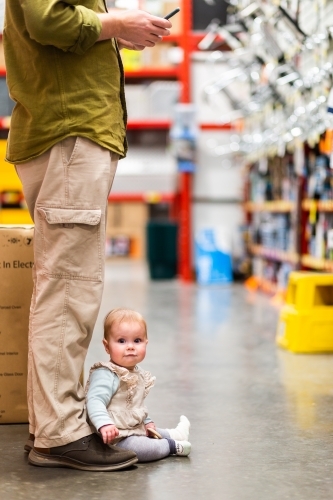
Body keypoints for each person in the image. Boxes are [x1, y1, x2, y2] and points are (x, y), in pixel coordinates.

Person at [3, 1, 172, 471]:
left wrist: (115, 30)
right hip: (70, 135)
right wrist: (120, 23)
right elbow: (48, 19)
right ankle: (58, 435)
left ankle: (52, 426)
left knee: (64, 287)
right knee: (68, 292)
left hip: (66, 134)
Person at [86, 308, 191, 462]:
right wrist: (104, 424)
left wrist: (147, 422)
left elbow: (135, 406)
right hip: (115, 437)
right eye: (121, 341)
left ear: (145, 343)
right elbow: (94, 401)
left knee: (151, 431)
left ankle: (176, 434)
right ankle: (171, 446)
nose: (130, 347)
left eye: (137, 341)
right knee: (142, 448)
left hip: (131, 428)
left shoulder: (137, 374)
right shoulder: (106, 374)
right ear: (107, 346)